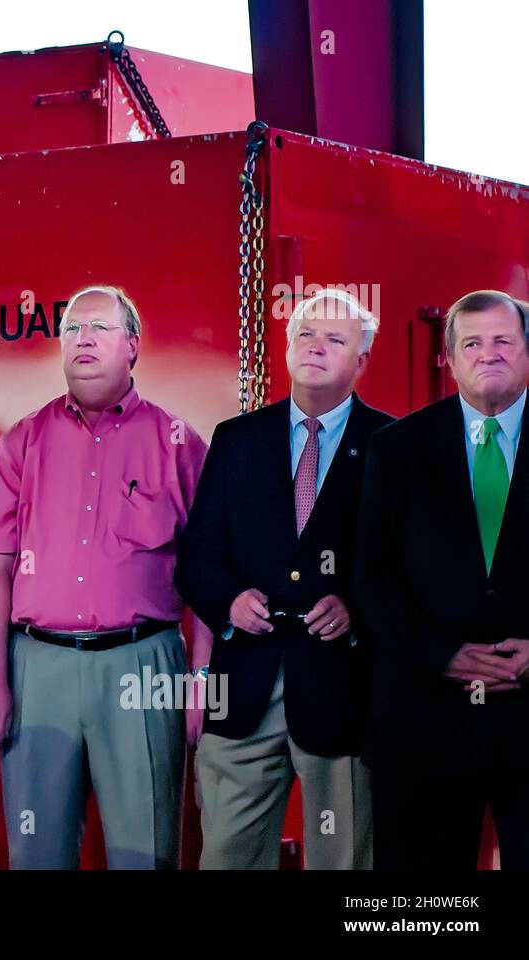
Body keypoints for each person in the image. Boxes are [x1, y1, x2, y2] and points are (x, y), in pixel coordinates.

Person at [0, 285, 207, 869]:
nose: (83, 339)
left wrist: (201, 680)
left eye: (99, 328)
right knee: (37, 853)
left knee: (145, 850)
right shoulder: (23, 441)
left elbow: (210, 578)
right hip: (36, 668)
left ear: (133, 347)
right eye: (72, 330)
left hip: (144, 666)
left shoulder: (178, 444)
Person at [176, 288, 390, 869]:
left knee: (343, 860)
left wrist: (354, 606)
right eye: (305, 335)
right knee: (227, 856)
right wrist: (226, 602)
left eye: (335, 340)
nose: (316, 347)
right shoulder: (236, 439)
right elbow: (196, 555)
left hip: (343, 694)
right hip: (244, 686)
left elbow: (409, 570)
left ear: (362, 361)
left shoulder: (392, 447)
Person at [357, 289, 529, 869]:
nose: (489, 354)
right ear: (450, 358)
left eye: (504, 341)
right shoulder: (396, 449)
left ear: (527, 351)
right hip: (425, 721)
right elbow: (372, 578)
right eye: (472, 343)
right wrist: (444, 655)